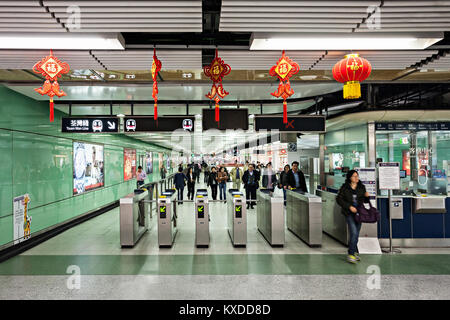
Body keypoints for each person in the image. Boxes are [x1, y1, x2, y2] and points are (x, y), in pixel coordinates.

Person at [336, 170, 370, 264]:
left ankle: (354, 252)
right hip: (349, 213)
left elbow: (365, 201)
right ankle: (351, 254)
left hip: (359, 213)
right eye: (354, 176)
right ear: (350, 177)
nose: (356, 178)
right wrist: (349, 207)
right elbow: (339, 199)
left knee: (356, 234)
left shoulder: (361, 187)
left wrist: (367, 197)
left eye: (357, 176)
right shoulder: (345, 187)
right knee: (354, 233)